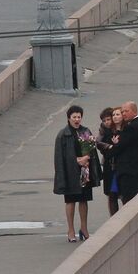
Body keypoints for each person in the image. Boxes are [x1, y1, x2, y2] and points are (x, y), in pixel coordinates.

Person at [53, 104, 98, 243]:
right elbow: (59, 157)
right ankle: (71, 230)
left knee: (84, 200)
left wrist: (86, 158)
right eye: (74, 117)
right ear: (69, 118)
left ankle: (84, 228)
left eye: (79, 117)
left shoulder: (86, 131)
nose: (77, 119)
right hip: (70, 172)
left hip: (84, 171)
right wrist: (75, 161)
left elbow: (92, 150)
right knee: (70, 201)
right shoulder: (63, 134)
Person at [112, 101, 138, 205]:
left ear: (134, 111)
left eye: (126, 111)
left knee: (129, 202)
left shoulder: (132, 127)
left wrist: (115, 144)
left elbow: (120, 147)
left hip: (130, 172)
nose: (123, 114)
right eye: (122, 111)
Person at [95, 106, 121, 216]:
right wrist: (110, 147)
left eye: (108, 119)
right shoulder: (103, 129)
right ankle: (114, 218)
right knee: (111, 194)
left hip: (120, 164)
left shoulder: (120, 128)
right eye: (104, 120)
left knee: (123, 193)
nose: (106, 122)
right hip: (109, 165)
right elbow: (97, 143)